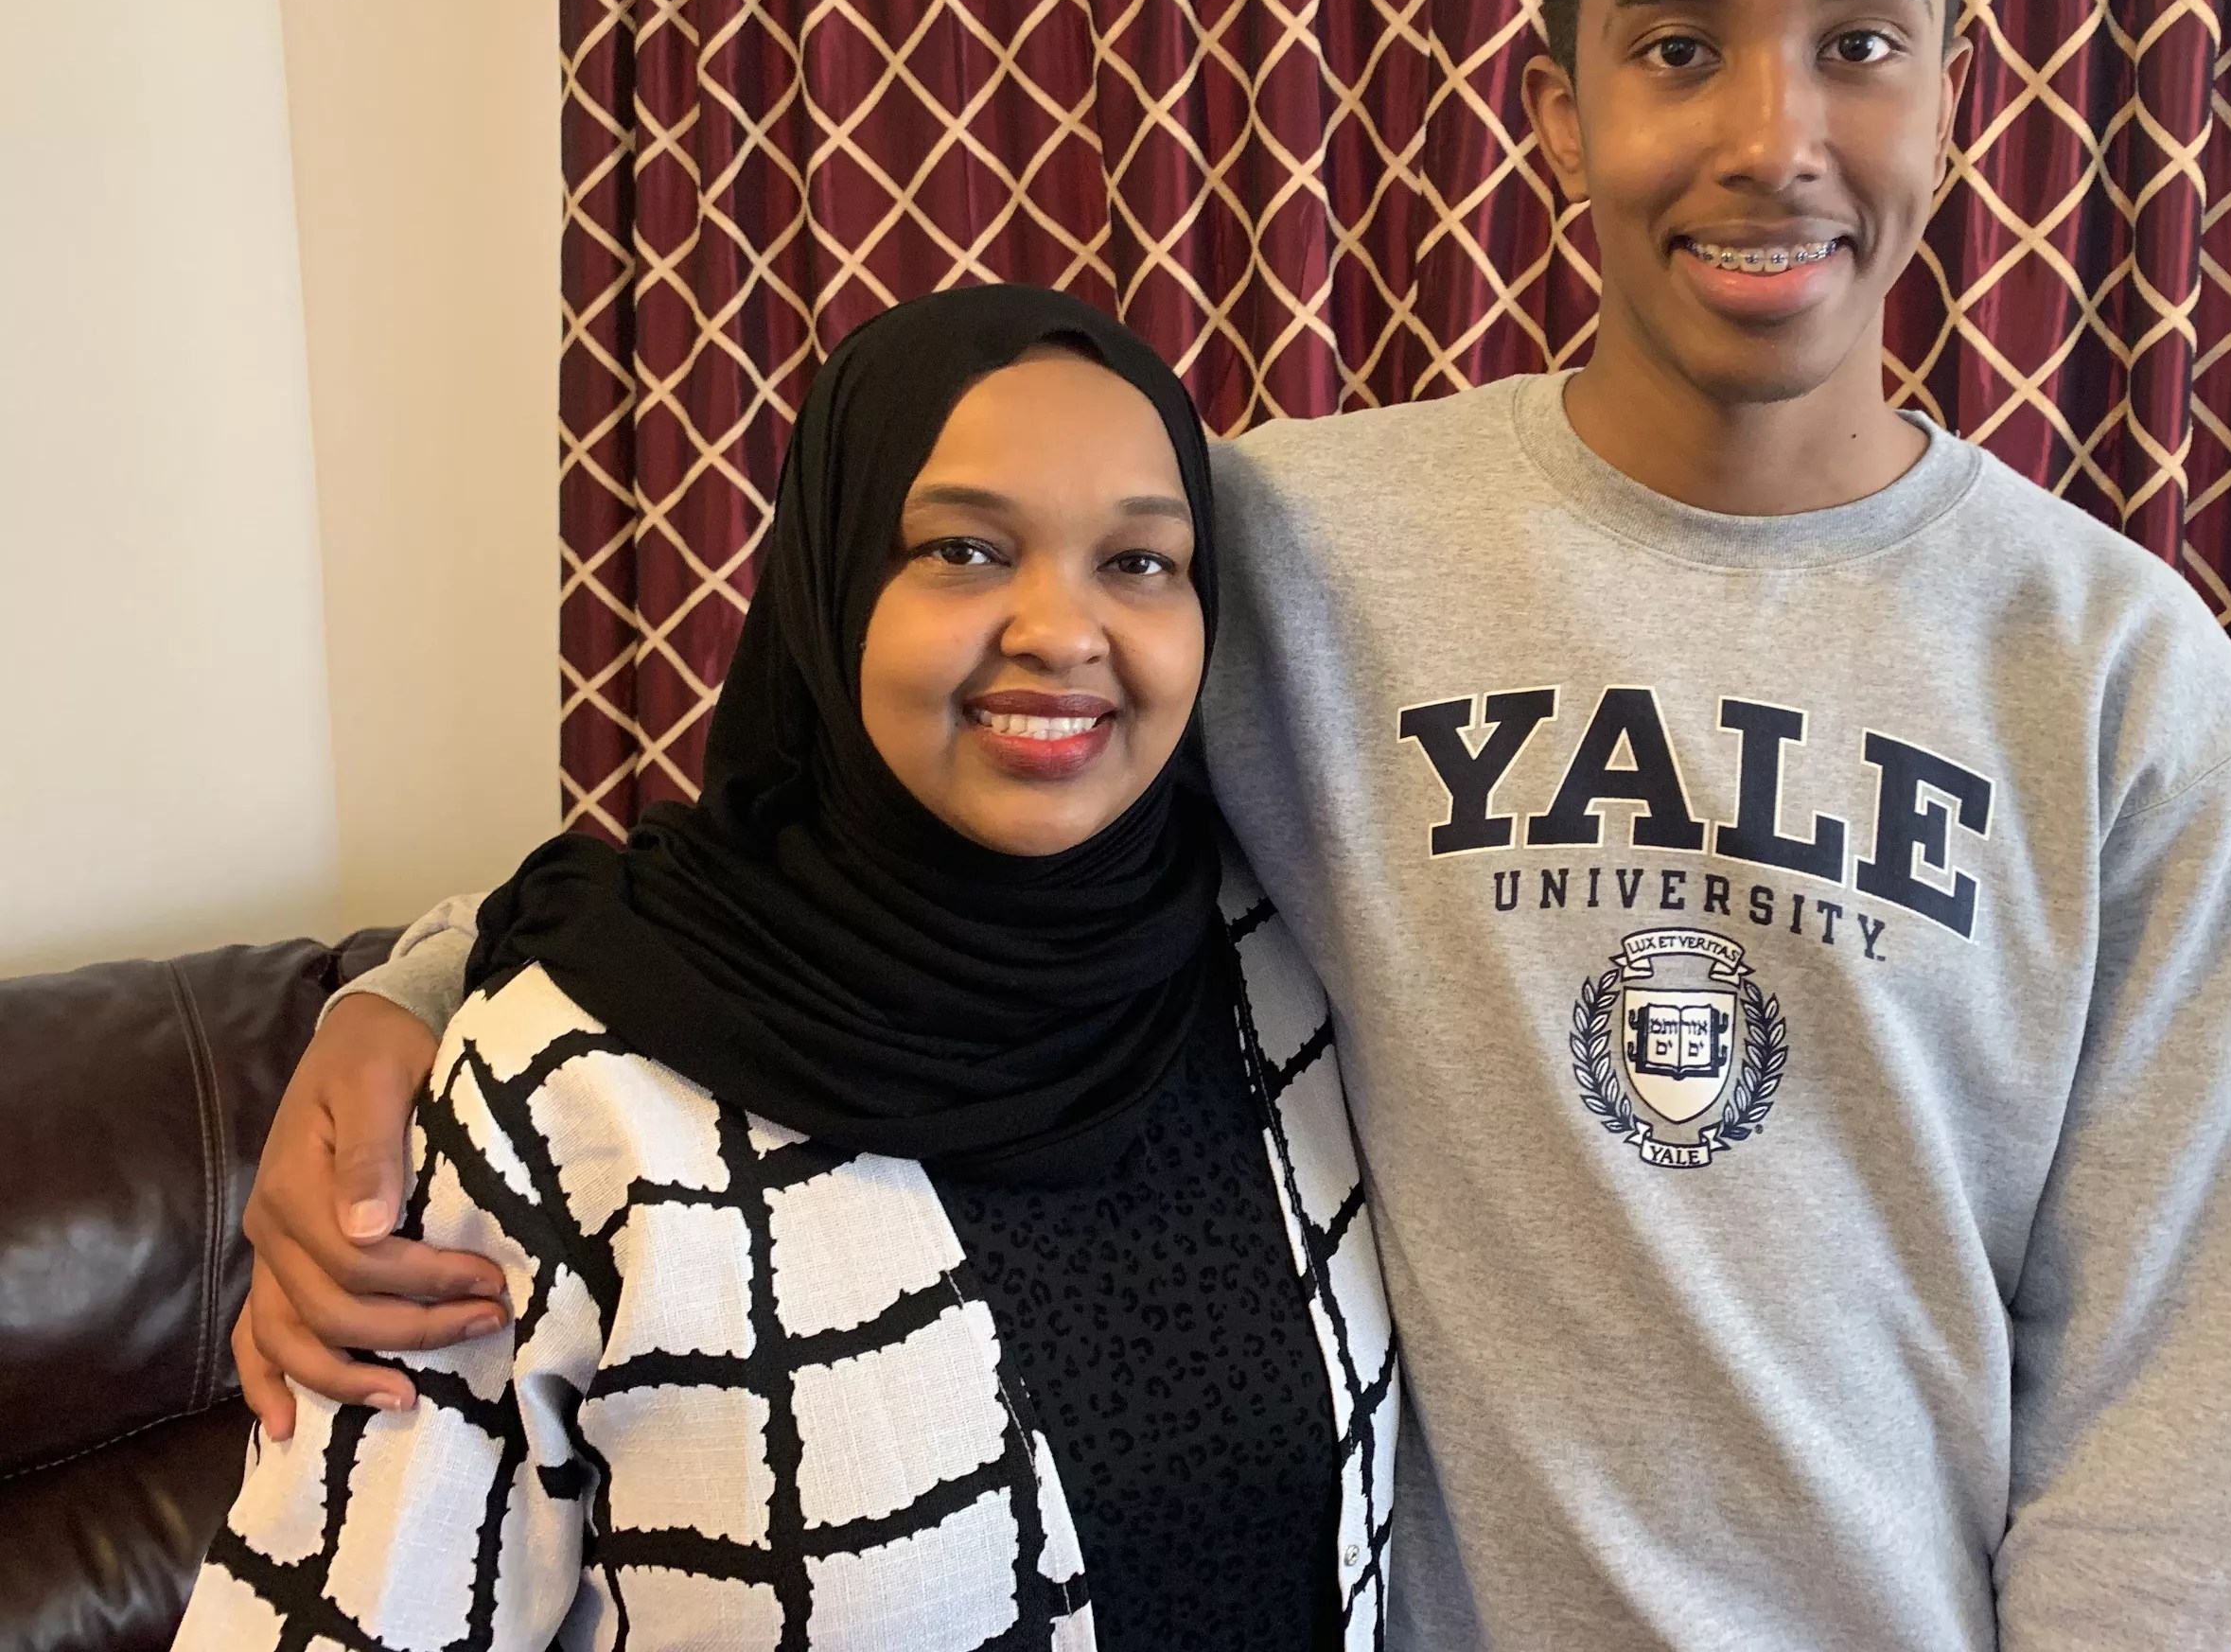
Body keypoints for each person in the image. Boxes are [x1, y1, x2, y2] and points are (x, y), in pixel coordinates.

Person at [239, 0, 2231, 1650]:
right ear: (1560, 106)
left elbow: (2167, 1408)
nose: (1775, 137)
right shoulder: (1282, 549)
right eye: (1680, 45)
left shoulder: (2127, 686)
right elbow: (843, 812)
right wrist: (402, 1002)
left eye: (1861, 41)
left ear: (1955, 85)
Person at [182, 286, 1398, 1652]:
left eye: (1139, 561)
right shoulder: (570, 1088)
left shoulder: (1272, 959)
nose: (1062, 630)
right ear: (830, 582)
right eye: (963, 549)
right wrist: (387, 1001)